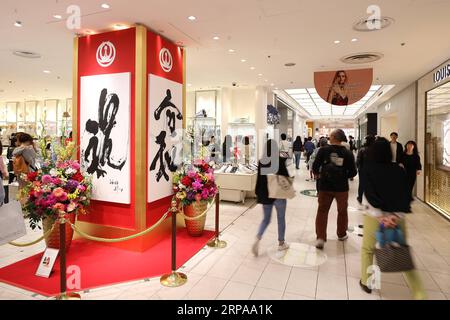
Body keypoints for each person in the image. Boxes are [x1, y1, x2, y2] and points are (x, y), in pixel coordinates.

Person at [360, 137, 426, 300]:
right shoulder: (398, 170)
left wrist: (381, 217)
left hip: (374, 218)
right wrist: (395, 216)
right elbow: (405, 196)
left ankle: (367, 281)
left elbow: (368, 196)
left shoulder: (368, 169)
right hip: (397, 218)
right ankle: (419, 291)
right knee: (401, 248)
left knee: (368, 249)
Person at [312, 129, 357, 249]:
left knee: (322, 211)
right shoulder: (348, 153)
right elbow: (353, 172)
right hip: (341, 188)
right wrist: (343, 176)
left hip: (325, 186)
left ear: (333, 137)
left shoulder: (323, 150)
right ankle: (341, 234)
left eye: (330, 135)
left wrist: (319, 175)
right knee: (342, 211)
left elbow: (315, 166)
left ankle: (320, 238)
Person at [252, 139, 290, 256]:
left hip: (265, 195)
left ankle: (258, 238)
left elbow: (259, 179)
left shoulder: (261, 161)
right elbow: (286, 177)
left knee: (266, 219)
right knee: (281, 218)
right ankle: (281, 243)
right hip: (278, 194)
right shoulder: (279, 160)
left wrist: (257, 192)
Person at [356, 135, 376, 205]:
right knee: (371, 184)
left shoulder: (362, 149)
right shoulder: (375, 149)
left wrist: (358, 168)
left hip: (363, 169)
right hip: (373, 170)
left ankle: (360, 198)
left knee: (361, 184)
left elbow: (358, 160)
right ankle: (371, 199)